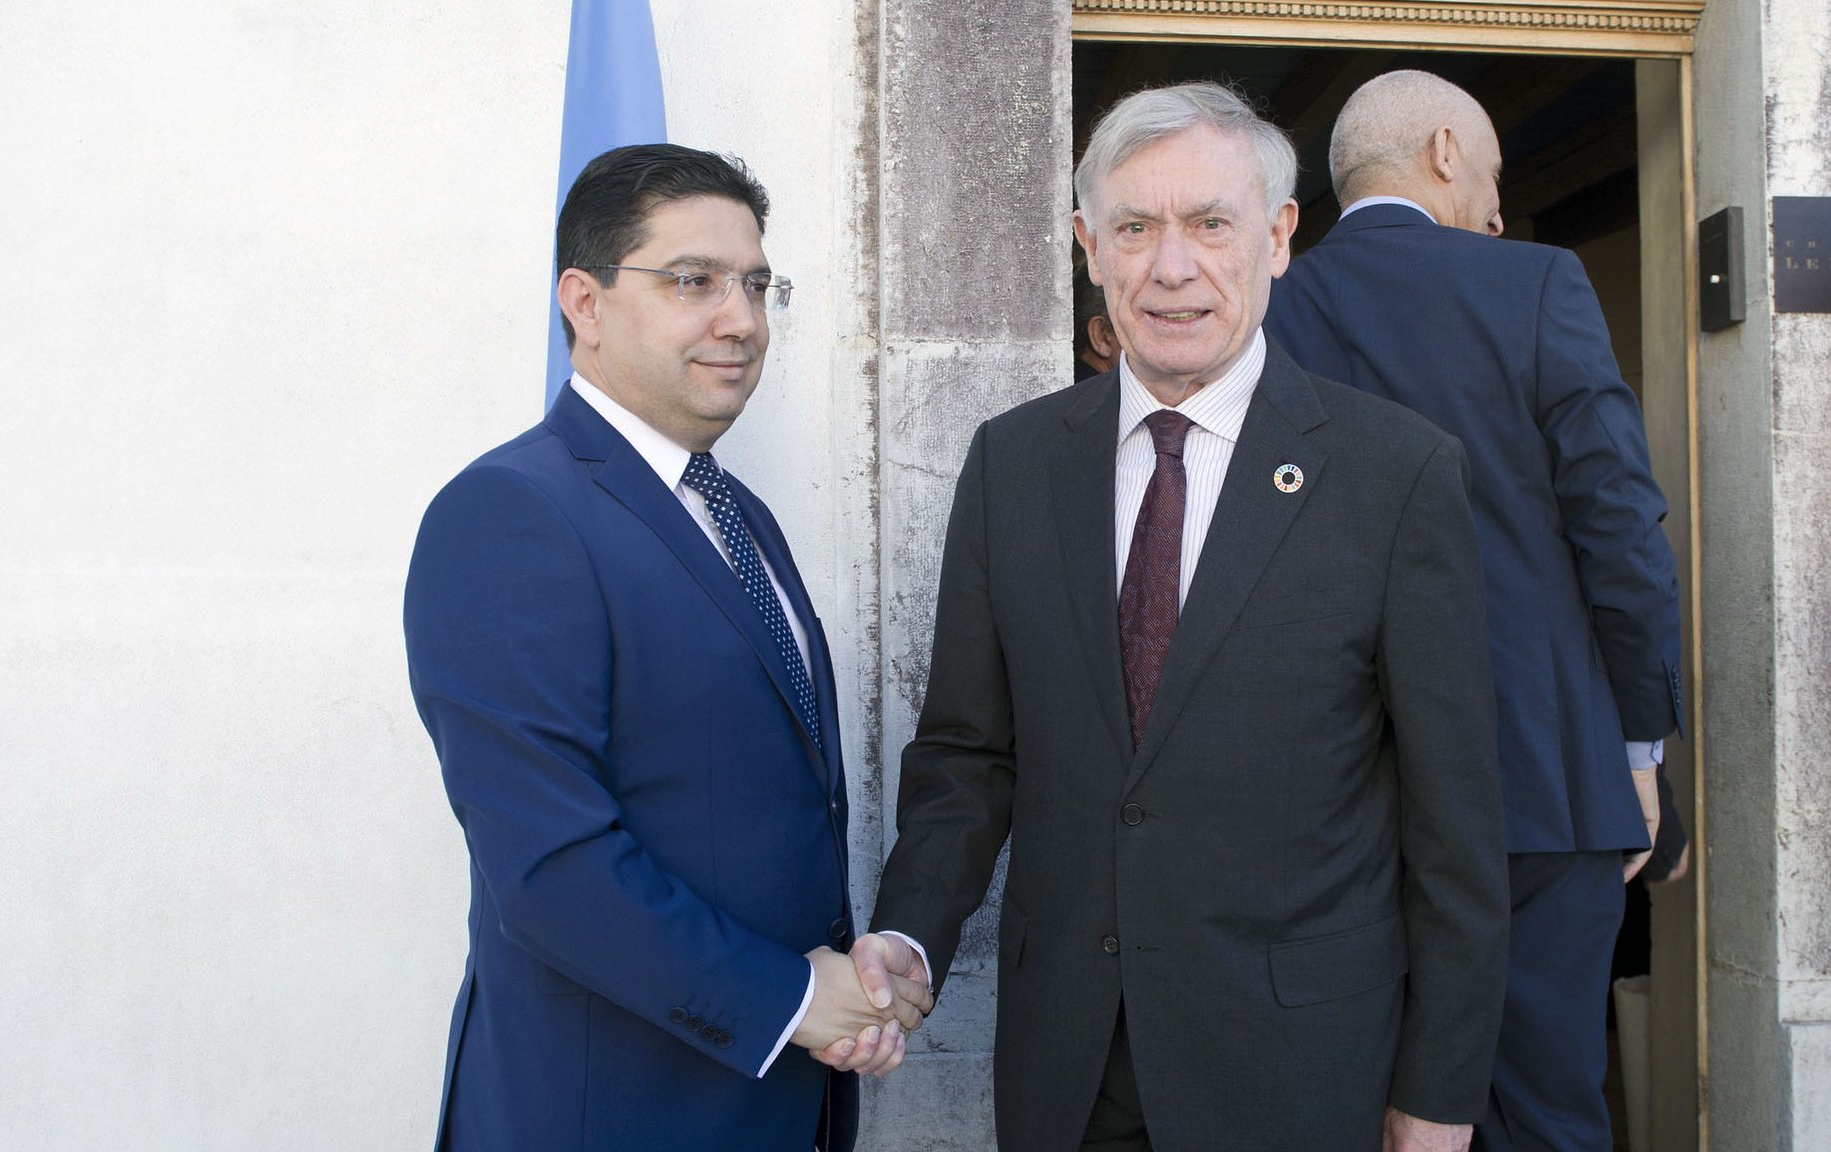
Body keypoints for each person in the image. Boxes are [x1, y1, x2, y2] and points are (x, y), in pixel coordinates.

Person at [855, 82, 1508, 1152]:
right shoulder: (1013, 463)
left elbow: (1455, 823)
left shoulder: (1395, 474)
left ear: (1278, 237)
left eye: (1209, 224)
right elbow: (969, 755)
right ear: (1087, 245)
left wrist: (1439, 1092)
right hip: (1069, 1072)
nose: (1171, 267)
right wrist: (908, 938)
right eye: (1134, 228)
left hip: (1297, 1073)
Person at [403, 143, 929, 1152]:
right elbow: (548, 867)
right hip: (610, 1113)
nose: (740, 319)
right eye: (693, 281)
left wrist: (845, 979)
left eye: (756, 285)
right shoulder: (510, 513)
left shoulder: (735, 513)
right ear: (585, 303)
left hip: (777, 1106)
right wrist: (786, 999)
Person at [1263, 70, 1686, 1152]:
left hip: (1340, 802)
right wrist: (1638, 747)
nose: (1497, 211)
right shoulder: (1538, 282)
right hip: (1541, 784)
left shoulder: (1271, 308)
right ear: (1446, 152)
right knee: (1547, 1111)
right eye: (1493, 176)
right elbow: (1620, 528)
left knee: (1361, 1111)